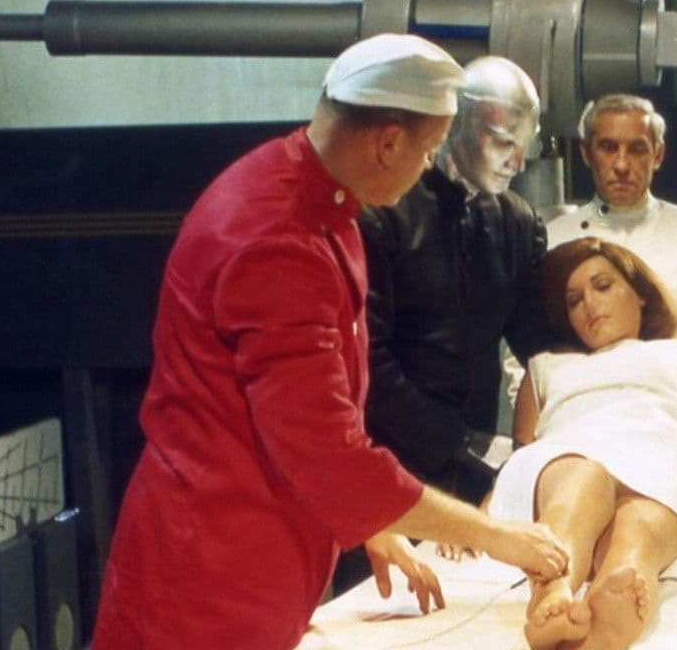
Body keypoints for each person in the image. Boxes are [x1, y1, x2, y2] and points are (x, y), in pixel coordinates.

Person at [90, 34, 569, 650]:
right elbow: (329, 456)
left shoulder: (307, 190)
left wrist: (371, 522)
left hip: (251, 551)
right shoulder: (278, 243)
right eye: (427, 151)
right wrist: (499, 537)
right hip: (210, 574)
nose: (429, 166)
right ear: (388, 143)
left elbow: (301, 423)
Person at [486, 237, 677, 650]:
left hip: (659, 462)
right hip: (570, 456)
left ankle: (610, 612)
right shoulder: (545, 367)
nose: (589, 305)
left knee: (637, 528)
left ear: (641, 293)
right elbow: (523, 453)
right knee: (584, 480)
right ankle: (554, 590)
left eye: (602, 286)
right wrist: (487, 506)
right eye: (574, 300)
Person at [357, 55, 553, 507]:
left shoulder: (517, 222)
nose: (517, 162)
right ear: (455, 124)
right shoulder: (383, 210)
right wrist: (459, 442)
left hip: (475, 467)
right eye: (503, 141)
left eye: (525, 145)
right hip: (386, 462)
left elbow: (541, 347)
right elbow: (367, 361)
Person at [547, 94, 677, 431]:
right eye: (608, 148)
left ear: (658, 155)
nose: (622, 165)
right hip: (582, 429)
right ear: (586, 153)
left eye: (637, 149)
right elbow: (528, 361)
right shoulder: (555, 239)